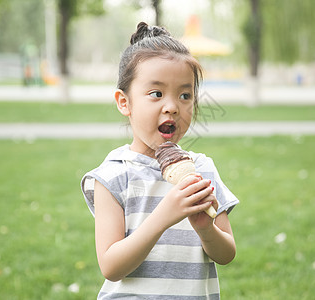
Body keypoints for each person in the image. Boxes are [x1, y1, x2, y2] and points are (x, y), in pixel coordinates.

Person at [81, 22, 239, 299]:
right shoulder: (113, 175)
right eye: (156, 94)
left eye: (185, 95)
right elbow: (111, 266)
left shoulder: (202, 170)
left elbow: (227, 254)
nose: (172, 106)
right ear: (124, 102)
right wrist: (163, 216)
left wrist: (206, 230)